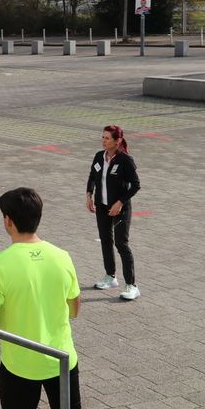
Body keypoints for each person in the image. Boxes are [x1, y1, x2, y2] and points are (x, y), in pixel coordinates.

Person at [0, 188, 99, 409]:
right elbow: (75, 309)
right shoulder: (61, 256)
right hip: (62, 359)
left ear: (8, 221)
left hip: (20, 365)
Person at [85, 125, 141, 300]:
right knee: (106, 240)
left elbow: (136, 185)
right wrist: (89, 194)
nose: (103, 141)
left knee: (121, 243)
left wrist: (120, 202)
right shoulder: (99, 157)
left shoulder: (125, 160)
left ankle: (132, 286)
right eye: (102, 137)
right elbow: (92, 177)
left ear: (117, 141)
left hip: (120, 209)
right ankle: (110, 276)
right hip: (102, 206)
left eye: (107, 138)